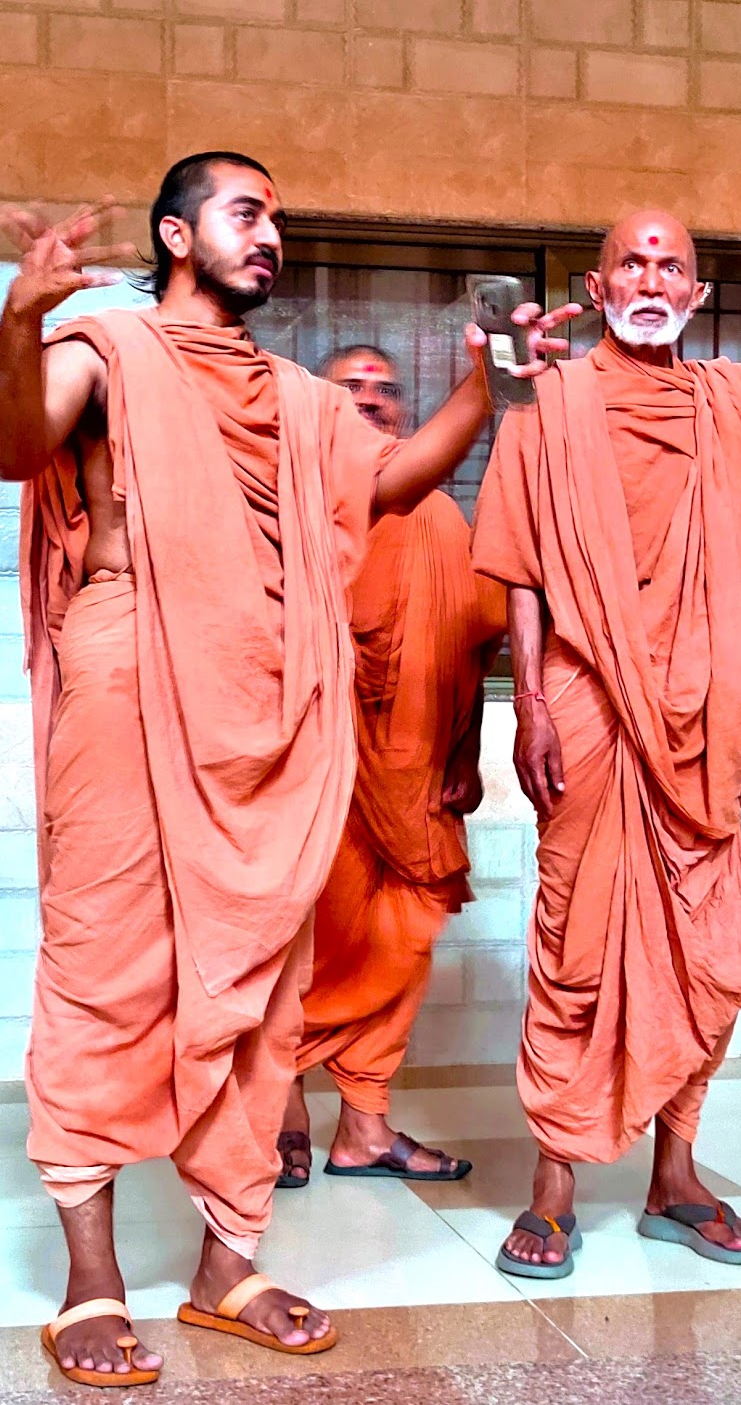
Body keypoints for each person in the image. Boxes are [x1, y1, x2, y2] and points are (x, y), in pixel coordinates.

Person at [0, 153, 574, 1387]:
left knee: (262, 983)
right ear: (175, 233)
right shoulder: (107, 348)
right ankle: (91, 1279)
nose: (271, 236)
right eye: (246, 214)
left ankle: (225, 1261)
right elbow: (12, 441)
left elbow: (392, 481)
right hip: (131, 671)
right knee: (102, 961)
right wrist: (24, 310)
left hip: (265, 698)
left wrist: (488, 387)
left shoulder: (298, 398)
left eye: (277, 219)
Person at [470, 210, 741, 1280]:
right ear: (598, 283)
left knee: (713, 948)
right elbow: (520, 564)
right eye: (633, 262)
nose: (651, 278)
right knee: (571, 942)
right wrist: (525, 700)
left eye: (672, 265)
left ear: (696, 294)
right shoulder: (547, 404)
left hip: (703, 706)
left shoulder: (725, 410)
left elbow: (735, 568)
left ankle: (676, 1176)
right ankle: (553, 1186)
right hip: (585, 698)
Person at [278, 345, 507, 1189]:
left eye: (387, 390)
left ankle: (364, 1126)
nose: (372, 402)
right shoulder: (295, 509)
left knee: (405, 934)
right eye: (351, 389)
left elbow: (471, 646)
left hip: (415, 775)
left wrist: (467, 752)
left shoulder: (442, 517)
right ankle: (281, 1103)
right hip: (313, 772)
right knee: (306, 939)